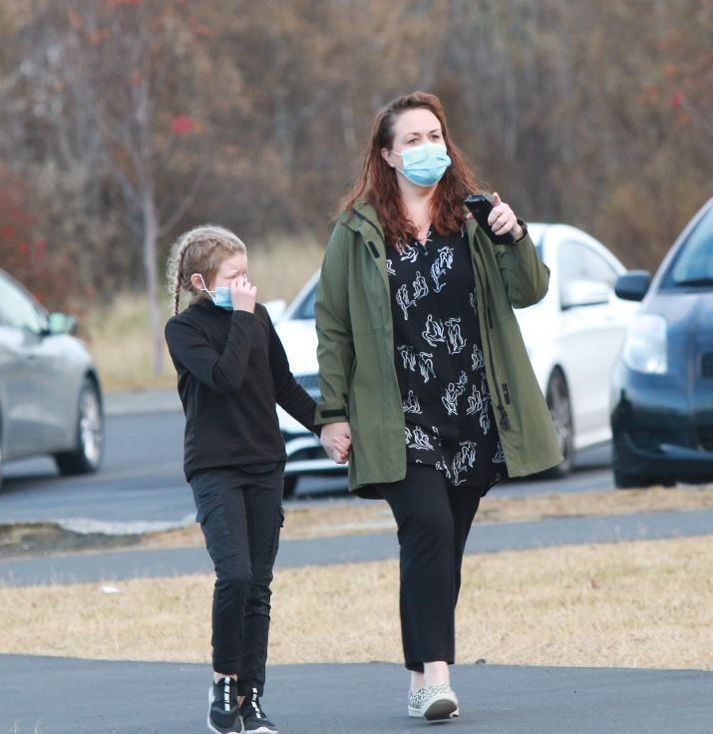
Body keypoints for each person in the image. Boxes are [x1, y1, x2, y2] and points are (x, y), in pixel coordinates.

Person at [315, 91, 562, 723]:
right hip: (398, 415)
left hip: (473, 410)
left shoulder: (476, 217)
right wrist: (333, 412)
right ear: (388, 154)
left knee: (443, 545)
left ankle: (422, 668)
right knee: (425, 527)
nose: (429, 149)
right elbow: (334, 323)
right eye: (415, 140)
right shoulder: (357, 229)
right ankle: (436, 678)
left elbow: (529, 291)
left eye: (436, 136)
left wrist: (516, 234)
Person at [165, 225, 349, 734]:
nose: (246, 285)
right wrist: (244, 316)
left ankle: (251, 699)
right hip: (215, 468)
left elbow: (282, 385)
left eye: (248, 275)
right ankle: (224, 682)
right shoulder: (183, 330)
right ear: (202, 282)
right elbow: (223, 378)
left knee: (260, 586)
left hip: (265, 463)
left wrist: (325, 429)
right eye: (234, 276)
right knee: (236, 575)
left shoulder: (259, 318)